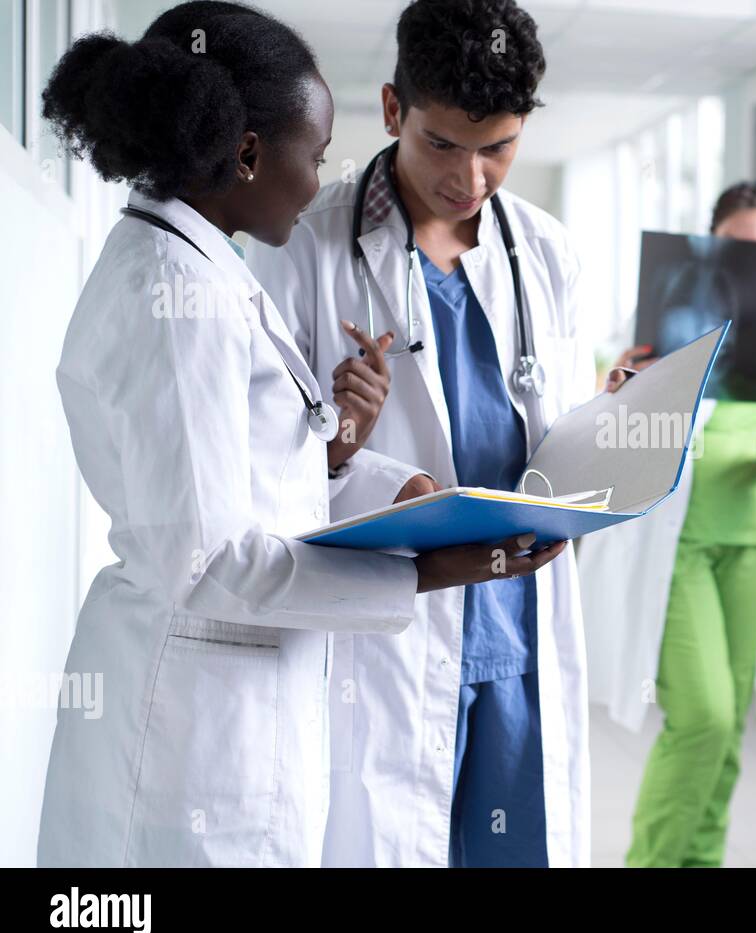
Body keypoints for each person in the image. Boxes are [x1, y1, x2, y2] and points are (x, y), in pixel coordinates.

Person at [35, 0, 562, 868]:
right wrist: (425, 566)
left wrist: (385, 481)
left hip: (233, 700)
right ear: (246, 154)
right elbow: (203, 558)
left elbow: (250, 471)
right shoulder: (183, 298)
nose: (322, 182)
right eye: (313, 158)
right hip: (195, 732)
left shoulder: (200, 267)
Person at [247, 0, 593, 867]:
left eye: (499, 148)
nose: (470, 179)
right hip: (387, 624)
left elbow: (559, 435)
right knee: (390, 837)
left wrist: (621, 425)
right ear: (394, 109)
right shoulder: (306, 246)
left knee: (518, 846)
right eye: (444, 143)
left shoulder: (548, 255)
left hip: (518, 615)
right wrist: (352, 454)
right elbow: (260, 461)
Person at [582, 180, 756, 868]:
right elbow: (608, 428)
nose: (746, 261)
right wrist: (619, 390)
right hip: (677, 545)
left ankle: (701, 859)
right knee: (702, 718)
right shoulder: (663, 325)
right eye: (732, 247)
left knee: (730, 726)